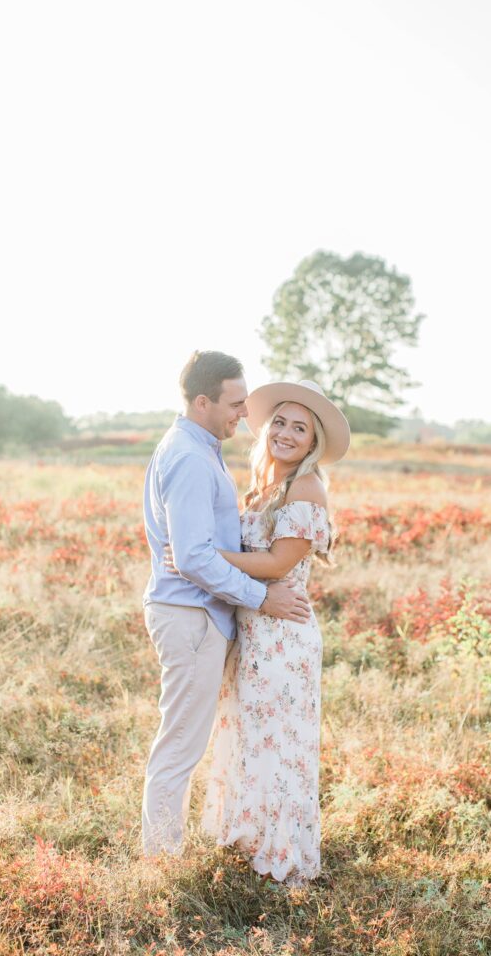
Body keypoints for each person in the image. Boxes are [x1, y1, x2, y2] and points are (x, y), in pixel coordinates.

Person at [141, 351, 313, 856]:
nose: (245, 413)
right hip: (192, 617)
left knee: (184, 740)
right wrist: (263, 598)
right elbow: (193, 558)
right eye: (236, 403)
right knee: (180, 744)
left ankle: (164, 851)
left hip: (197, 615)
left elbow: (197, 550)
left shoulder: (200, 448)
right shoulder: (193, 459)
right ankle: (161, 861)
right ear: (202, 402)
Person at [193, 379, 350, 884]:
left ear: (312, 443)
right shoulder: (264, 484)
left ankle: (282, 856)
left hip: (284, 636)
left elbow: (281, 560)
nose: (285, 433)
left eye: (299, 428)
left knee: (279, 745)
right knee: (250, 737)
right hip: (254, 632)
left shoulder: (307, 487)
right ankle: (251, 838)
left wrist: (205, 557)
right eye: (279, 422)